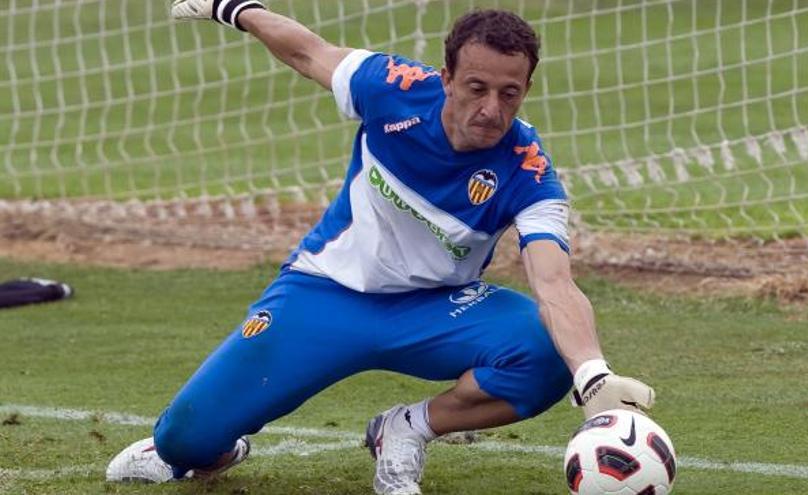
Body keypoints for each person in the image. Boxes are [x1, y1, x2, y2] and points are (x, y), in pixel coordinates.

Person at [106, 1, 656, 493]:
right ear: (446, 78)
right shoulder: (391, 87)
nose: (491, 108)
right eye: (476, 88)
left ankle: (407, 428)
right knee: (186, 440)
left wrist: (593, 376)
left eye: (508, 93)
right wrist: (236, 8)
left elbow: (554, 282)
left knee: (544, 351)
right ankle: (210, 447)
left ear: (526, 90)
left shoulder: (530, 172)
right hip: (324, 293)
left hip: (436, 310)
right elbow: (307, 51)